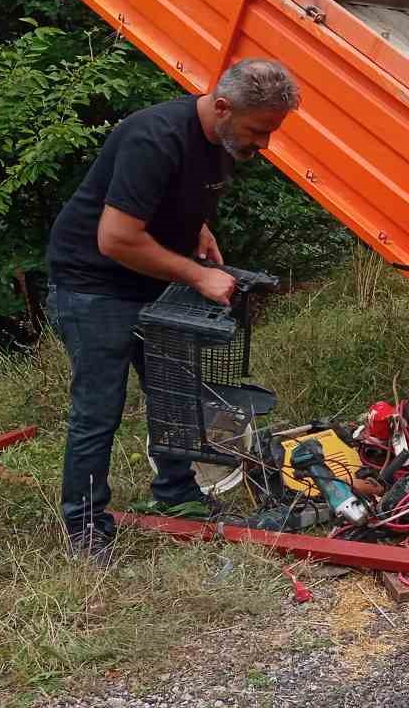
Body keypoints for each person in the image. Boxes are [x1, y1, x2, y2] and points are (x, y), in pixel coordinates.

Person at [45, 58, 301, 560]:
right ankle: (85, 526)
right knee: (99, 409)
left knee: (175, 394)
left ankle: (177, 495)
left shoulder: (223, 141)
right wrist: (198, 275)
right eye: (258, 131)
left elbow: (170, 197)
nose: (265, 144)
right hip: (94, 284)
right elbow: (116, 238)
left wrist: (197, 229)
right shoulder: (154, 138)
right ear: (222, 107)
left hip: (155, 281)